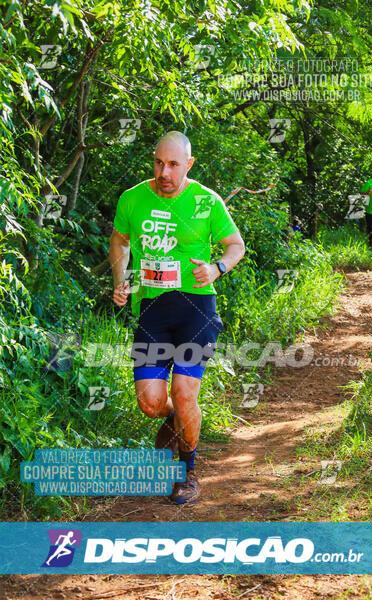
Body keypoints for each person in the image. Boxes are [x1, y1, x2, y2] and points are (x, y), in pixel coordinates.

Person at [109, 131, 245, 504]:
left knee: (184, 393)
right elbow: (120, 240)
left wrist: (217, 268)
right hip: (152, 309)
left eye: (172, 165)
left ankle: (188, 473)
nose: (163, 172)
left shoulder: (206, 201)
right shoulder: (133, 199)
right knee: (151, 402)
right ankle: (176, 420)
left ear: (188, 164)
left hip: (196, 309)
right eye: (158, 163)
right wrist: (121, 279)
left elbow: (236, 246)